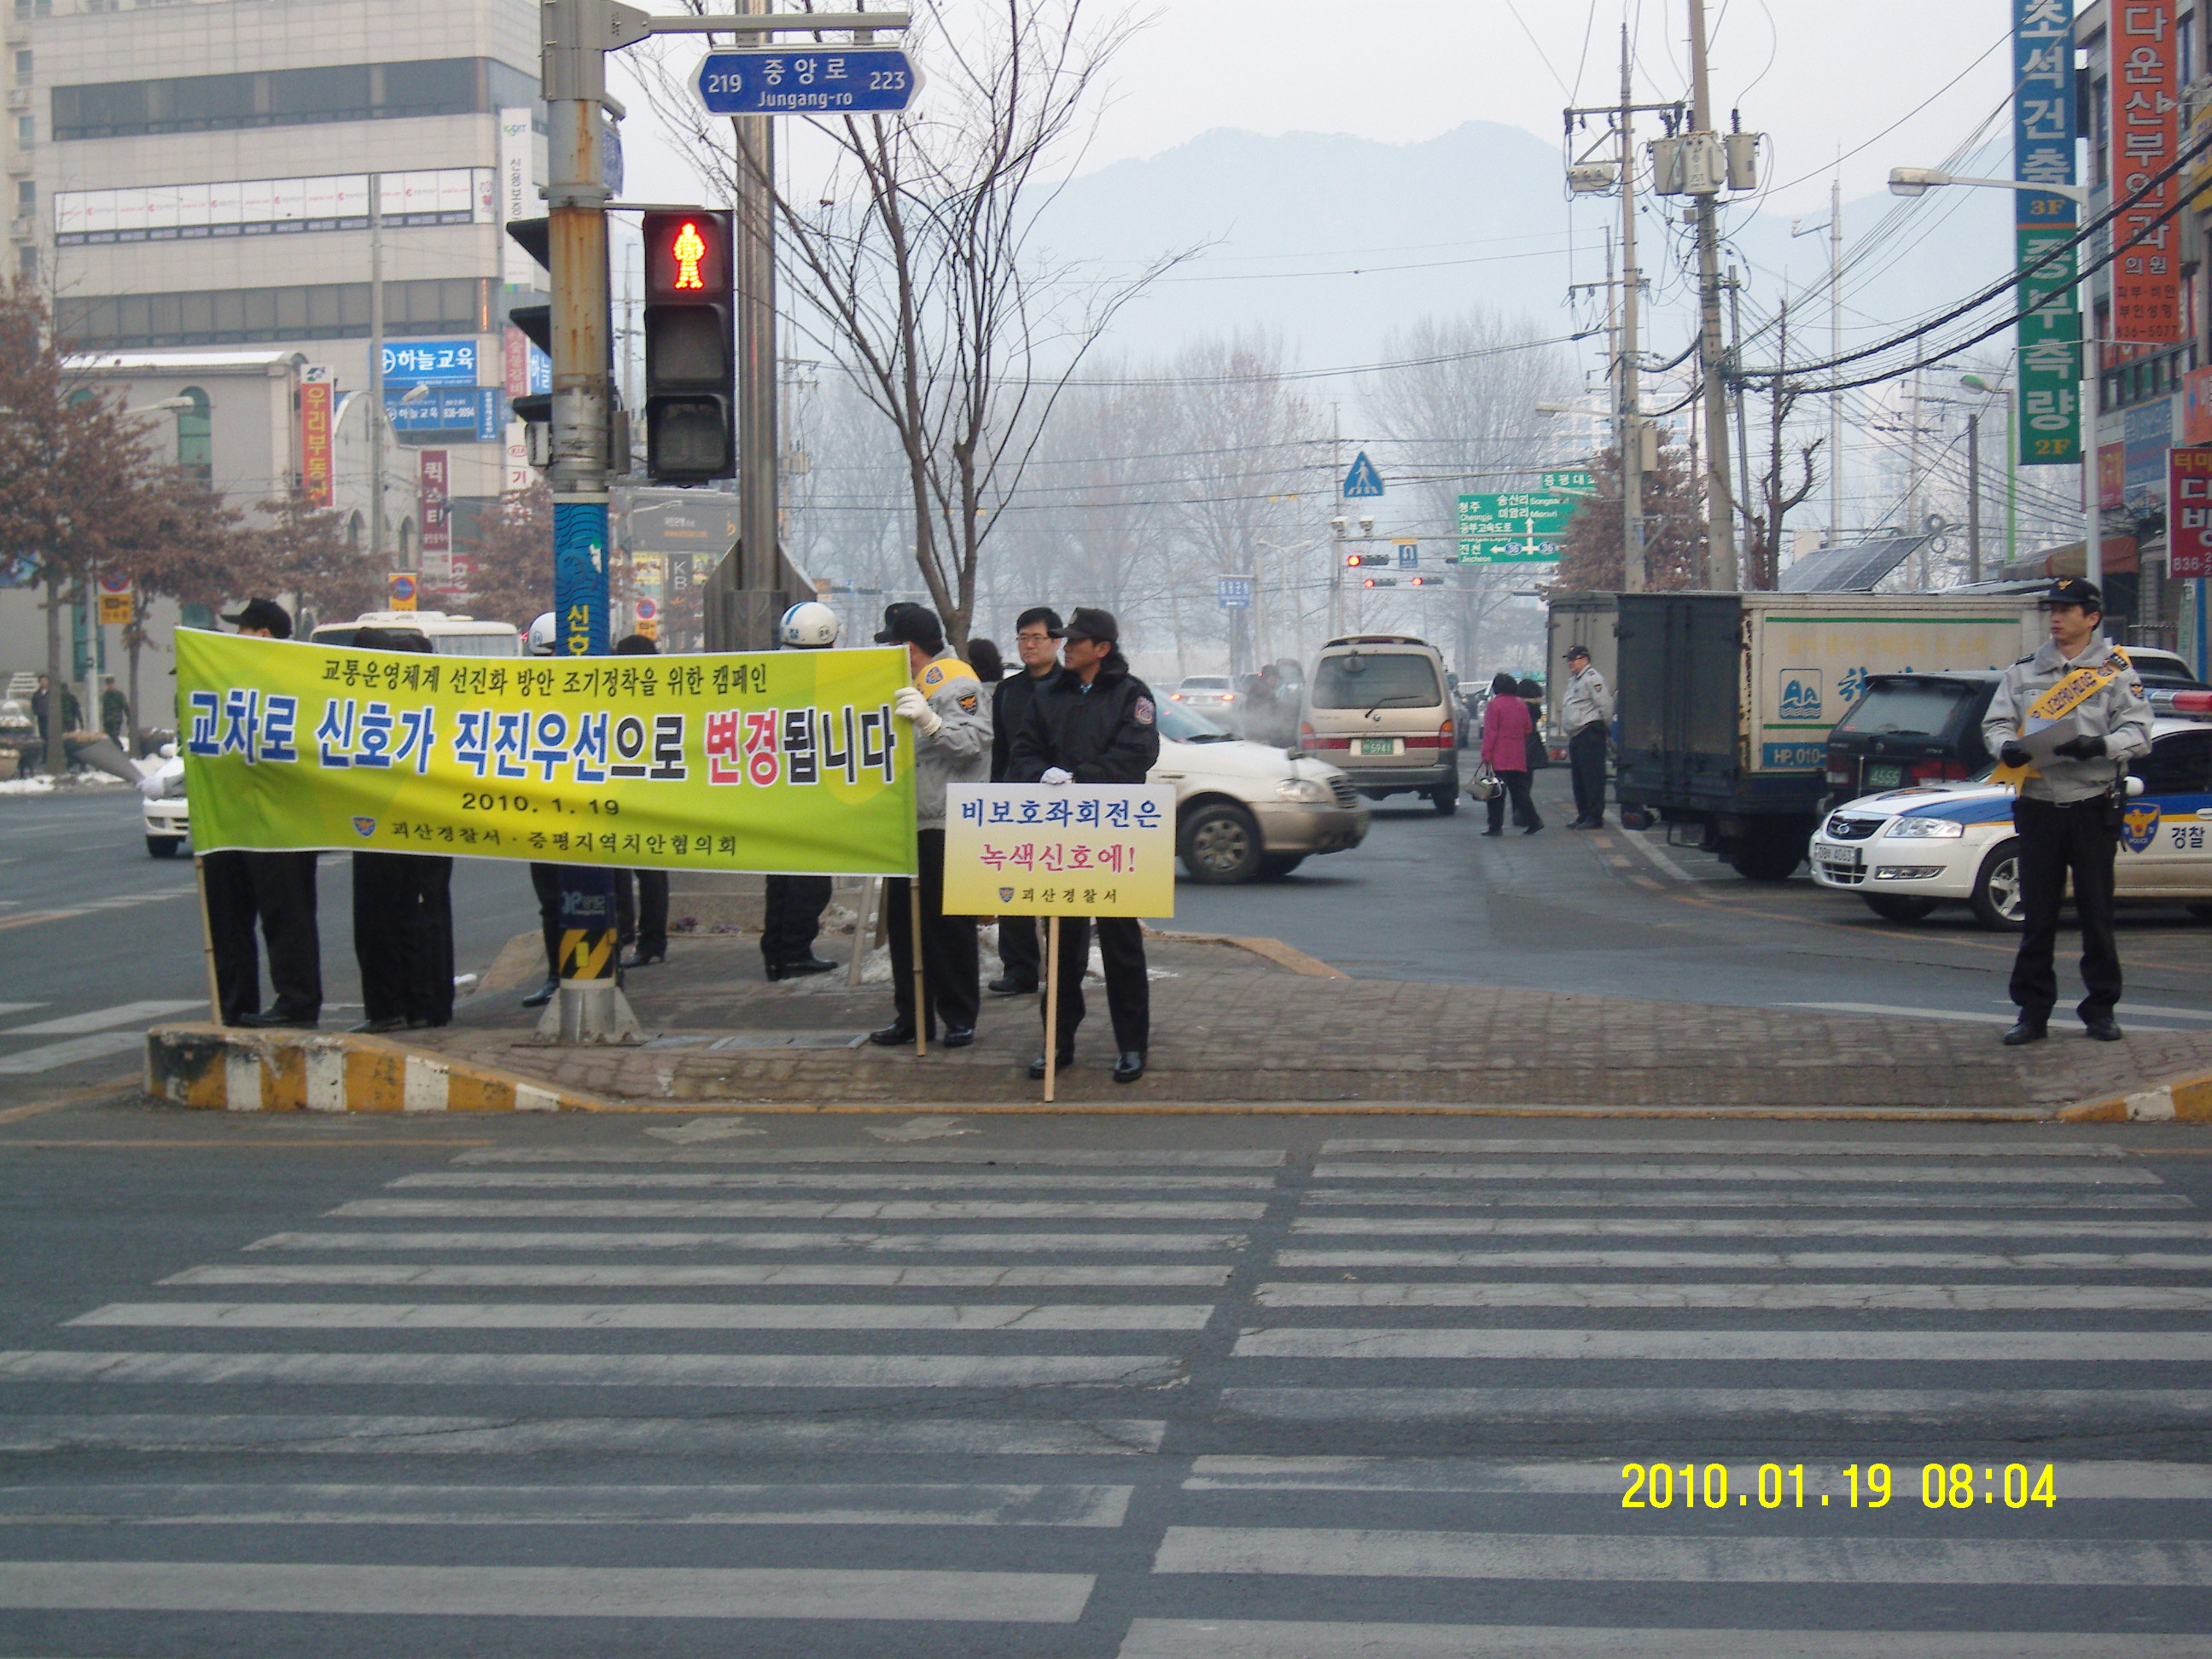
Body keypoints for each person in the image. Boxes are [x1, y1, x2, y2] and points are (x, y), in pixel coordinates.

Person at [1980, 578, 2153, 1046]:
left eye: (2068, 608)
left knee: (2097, 913)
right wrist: (2006, 748)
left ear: (2091, 617)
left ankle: (2101, 1009)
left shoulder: (2114, 672)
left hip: (2092, 805)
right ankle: (2032, 1013)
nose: (2056, 617)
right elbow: (1995, 722)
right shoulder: (2024, 672)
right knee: (2038, 916)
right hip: (2038, 806)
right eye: (2053, 609)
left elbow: (2139, 732)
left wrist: (2099, 744)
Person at [1010, 606, 1159, 1084]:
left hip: (1113, 833)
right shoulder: (1049, 694)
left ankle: (1132, 1044)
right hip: (1060, 833)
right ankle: (1057, 1042)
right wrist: (1042, 774)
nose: (1065, 646)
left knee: (1120, 944)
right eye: (1064, 639)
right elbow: (1023, 750)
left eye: (1075, 641)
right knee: (1063, 945)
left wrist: (1081, 779)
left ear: (1102, 649)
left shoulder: (1131, 695)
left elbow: (1139, 753)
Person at [869, 602, 990, 1048]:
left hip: (946, 821)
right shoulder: (905, 682)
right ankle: (912, 1017)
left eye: (892, 643)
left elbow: (973, 742)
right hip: (906, 823)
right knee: (904, 926)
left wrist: (930, 720)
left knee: (948, 926)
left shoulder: (956, 678)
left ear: (910, 646)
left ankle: (959, 1016)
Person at [200, 597, 323, 1027]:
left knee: (285, 915)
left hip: (282, 823)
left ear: (263, 635)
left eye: (243, 630)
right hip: (231, 819)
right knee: (229, 919)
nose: (237, 638)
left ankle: (297, 1002)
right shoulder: (229, 680)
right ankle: (235, 1006)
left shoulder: (294, 680)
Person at [346, 628, 455, 1033]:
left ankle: (396, 1006)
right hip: (426, 823)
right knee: (426, 912)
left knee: (391, 915)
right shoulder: (438, 704)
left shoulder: (382, 707)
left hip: (390, 824)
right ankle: (429, 1004)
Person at [760, 602, 841, 981]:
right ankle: (793, 952)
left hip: (775, 797)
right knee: (809, 885)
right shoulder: (827, 682)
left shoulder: (770, 675)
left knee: (780, 882)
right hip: (810, 799)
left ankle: (778, 952)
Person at [987, 607, 1063, 997]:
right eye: (1022, 638)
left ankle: (1064, 967)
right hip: (1014, 799)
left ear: (1057, 641)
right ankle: (1019, 969)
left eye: (1036, 638)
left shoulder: (1071, 686)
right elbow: (1000, 749)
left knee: (1059, 888)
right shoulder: (1009, 690)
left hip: (1060, 800)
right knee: (1012, 888)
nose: (1029, 645)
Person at [609, 633, 672, 970]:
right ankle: (648, 941)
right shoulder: (664, 694)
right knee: (648, 873)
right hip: (648, 794)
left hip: (629, 793)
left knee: (632, 870)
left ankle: (633, 937)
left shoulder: (618, 695)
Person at [521, 612, 565, 1008]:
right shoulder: (524, 701)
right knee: (552, 902)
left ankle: (596, 969)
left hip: (585, 815)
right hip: (541, 816)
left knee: (587, 899)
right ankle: (557, 974)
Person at [1479, 670, 1541, 836]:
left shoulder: (1494, 705)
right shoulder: (1521, 705)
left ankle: (1495, 826)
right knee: (1520, 792)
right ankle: (1534, 820)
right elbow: (1528, 728)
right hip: (1518, 754)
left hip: (1499, 755)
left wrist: (1486, 754)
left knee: (1496, 793)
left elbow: (1490, 732)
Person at [1561, 643, 1613, 830]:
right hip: (1577, 735)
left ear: (1584, 659)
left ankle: (1594, 816)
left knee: (1592, 778)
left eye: (1572, 659)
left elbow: (1605, 705)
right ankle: (1583, 814)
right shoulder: (1575, 680)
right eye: (1568, 660)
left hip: (1590, 732)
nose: (1569, 663)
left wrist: (1604, 728)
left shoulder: (1593, 678)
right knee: (1579, 778)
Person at [1516, 678, 1548, 777]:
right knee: (1525, 784)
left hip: (1515, 750)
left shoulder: (1517, 708)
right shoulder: (1534, 709)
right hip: (1530, 750)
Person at [100, 676, 129, 745]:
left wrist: (129, 718)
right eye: (108, 684)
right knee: (108, 737)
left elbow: (125, 706)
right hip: (108, 720)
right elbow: (104, 709)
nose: (110, 686)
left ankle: (120, 748)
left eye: (111, 684)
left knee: (115, 736)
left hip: (116, 719)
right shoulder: (105, 695)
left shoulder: (119, 695)